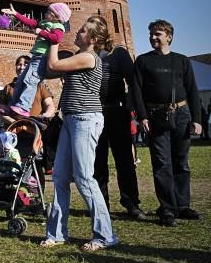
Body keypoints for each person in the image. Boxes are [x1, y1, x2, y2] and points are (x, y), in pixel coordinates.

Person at [40, 17, 119, 251]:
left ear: (92, 39)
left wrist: (54, 37)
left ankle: (105, 235)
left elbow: (54, 66)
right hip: (70, 120)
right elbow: (48, 70)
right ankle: (56, 233)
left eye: (83, 31)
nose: (77, 32)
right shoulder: (78, 56)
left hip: (86, 120)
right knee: (60, 177)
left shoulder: (88, 57)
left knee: (84, 178)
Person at [132, 19, 202, 226]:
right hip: (155, 116)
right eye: (152, 34)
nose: (153, 37)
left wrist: (196, 119)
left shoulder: (182, 60)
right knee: (162, 164)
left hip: (181, 114)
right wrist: (142, 116)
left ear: (169, 37)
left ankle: (182, 206)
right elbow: (137, 91)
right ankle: (167, 208)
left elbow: (192, 90)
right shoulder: (143, 61)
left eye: (158, 34)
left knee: (181, 162)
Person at [86, 15, 144, 220]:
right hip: (95, 113)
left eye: (96, 26)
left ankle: (131, 202)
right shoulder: (87, 54)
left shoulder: (118, 53)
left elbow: (133, 80)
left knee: (124, 160)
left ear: (103, 29)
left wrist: (130, 105)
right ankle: (101, 204)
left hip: (117, 111)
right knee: (97, 161)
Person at [1, 2, 72, 117]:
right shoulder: (44, 23)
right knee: (20, 81)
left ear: (56, 16)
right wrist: (15, 14)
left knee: (31, 81)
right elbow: (31, 23)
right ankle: (13, 106)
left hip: (42, 58)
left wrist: (41, 32)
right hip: (35, 57)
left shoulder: (57, 26)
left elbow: (57, 38)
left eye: (49, 12)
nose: (46, 13)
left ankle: (24, 107)